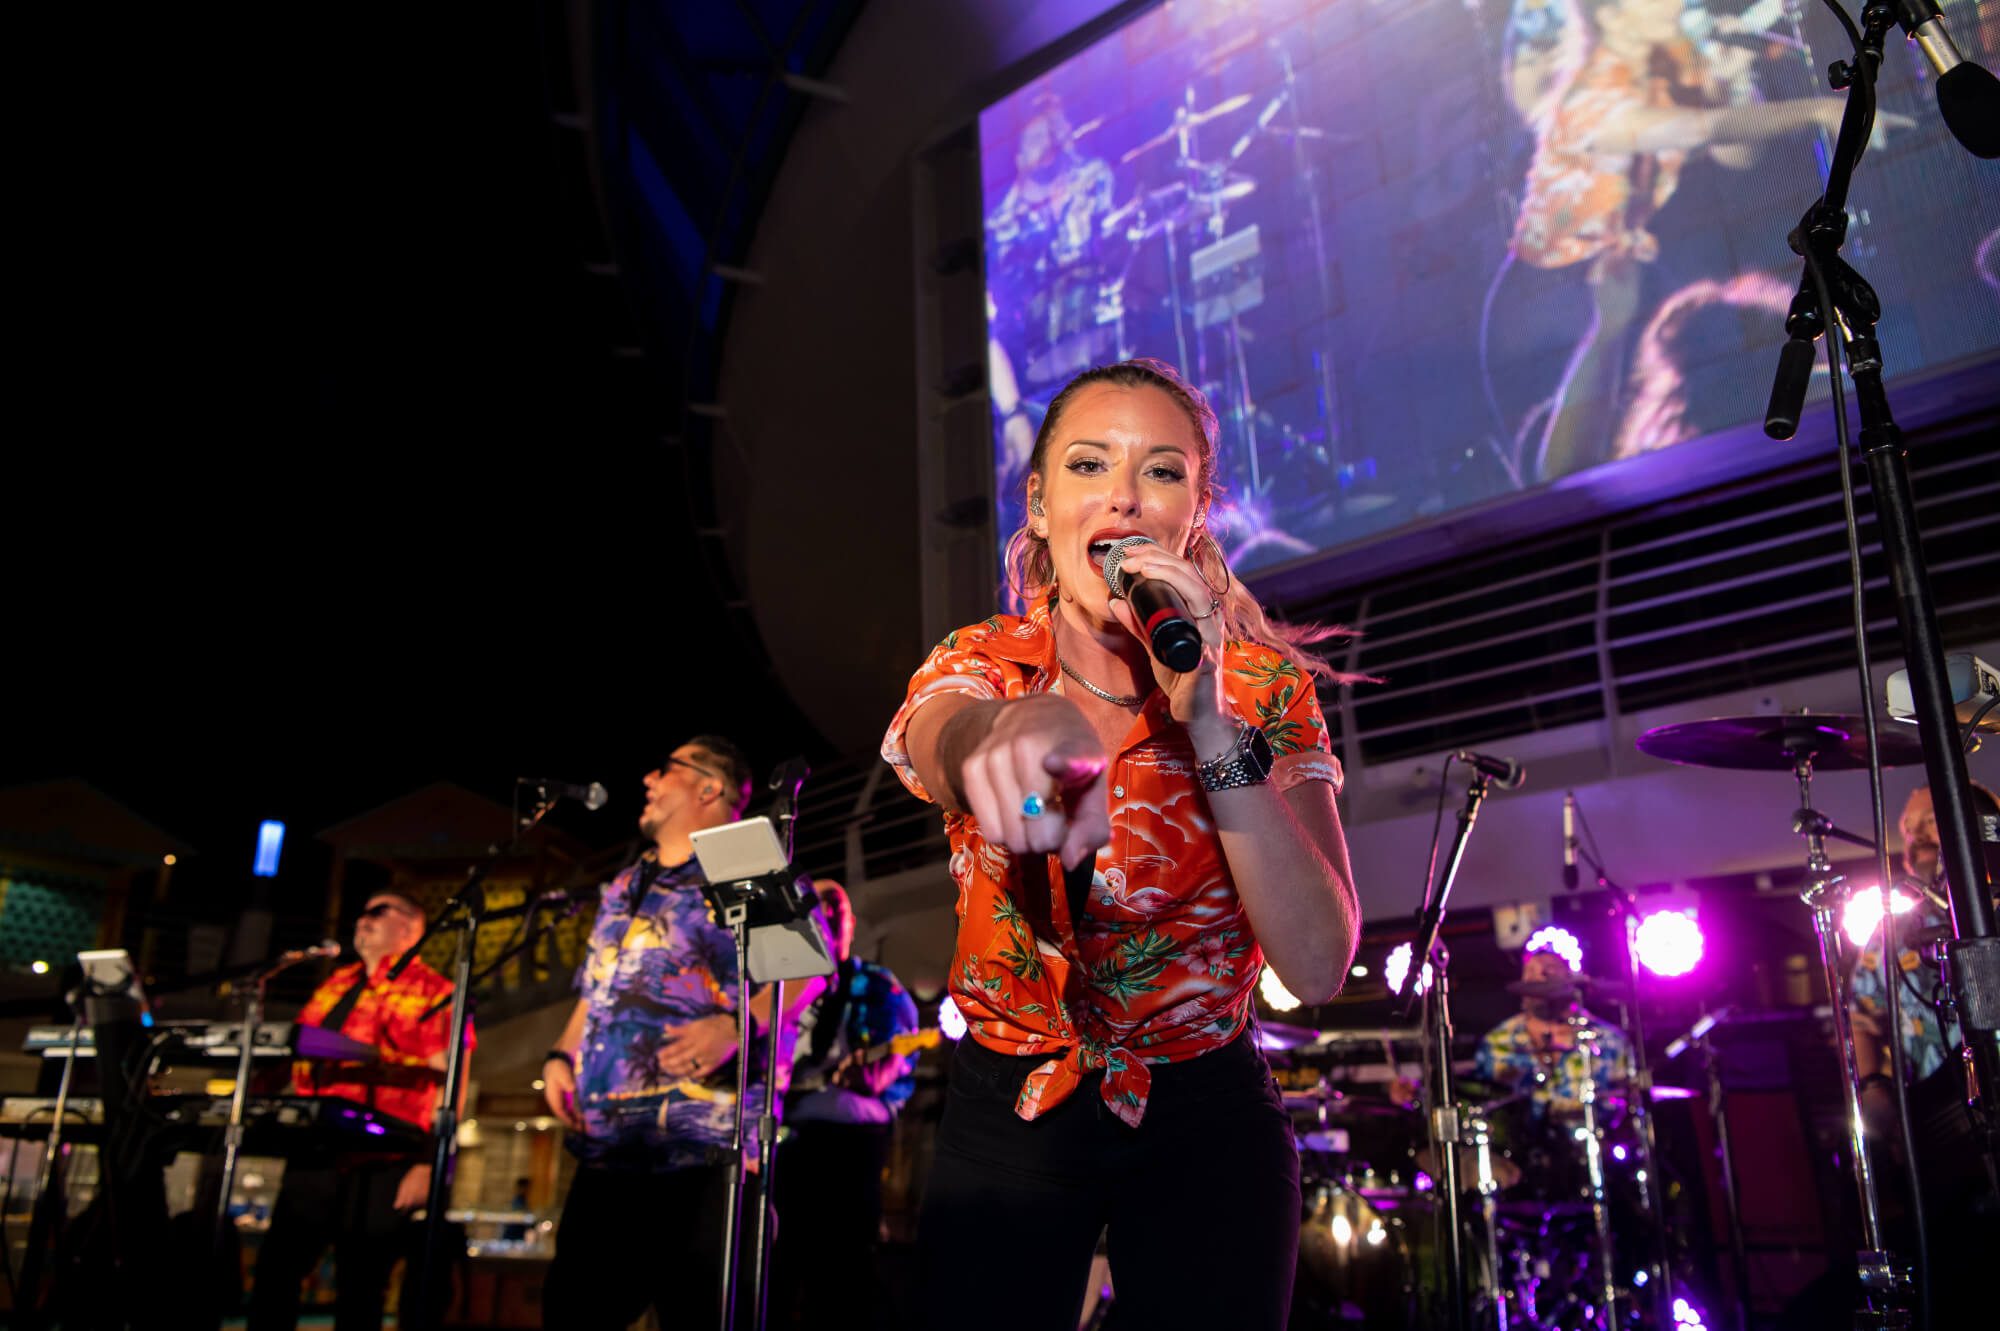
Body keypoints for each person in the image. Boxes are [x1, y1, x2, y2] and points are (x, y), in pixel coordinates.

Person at [882, 357, 1360, 1330]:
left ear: (1196, 511)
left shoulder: (1265, 689)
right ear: (1039, 502)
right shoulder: (984, 662)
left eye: (1162, 471)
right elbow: (943, 737)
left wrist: (1211, 722)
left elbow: (1315, 961)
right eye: (1089, 464)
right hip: (1011, 1098)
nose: (1124, 497)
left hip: (1204, 1104)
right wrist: (1000, 738)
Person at [538, 737, 825, 1330]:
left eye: (667, 768)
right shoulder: (626, 882)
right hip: (608, 1149)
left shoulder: (744, 860)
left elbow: (806, 966)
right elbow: (595, 988)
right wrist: (560, 1055)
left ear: (709, 787)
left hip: (704, 1151)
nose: (648, 779)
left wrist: (738, 1026)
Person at [247, 890, 472, 1331]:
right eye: (362, 911)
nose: (362, 920)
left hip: (387, 1156)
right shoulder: (336, 984)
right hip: (317, 1147)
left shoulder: (436, 992)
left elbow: (452, 1081)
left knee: (362, 1286)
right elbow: (294, 1047)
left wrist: (429, 1162)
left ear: (410, 928)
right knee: (277, 1272)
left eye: (377, 912)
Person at [771, 881, 921, 1329]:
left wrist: (876, 1074)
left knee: (843, 1270)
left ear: (850, 926)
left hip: (851, 1142)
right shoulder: (783, 989)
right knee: (780, 1261)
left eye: (838, 914)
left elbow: (902, 1052)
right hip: (788, 1141)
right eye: (820, 914)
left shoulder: (876, 985)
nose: (830, 923)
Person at [1472, 947, 1633, 1116]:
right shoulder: (1498, 1041)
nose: (1540, 975)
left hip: (1593, 1129)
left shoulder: (1610, 1039)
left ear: (1570, 976)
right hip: (1521, 1132)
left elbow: (1628, 1100)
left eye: (1550, 967)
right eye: (1531, 970)